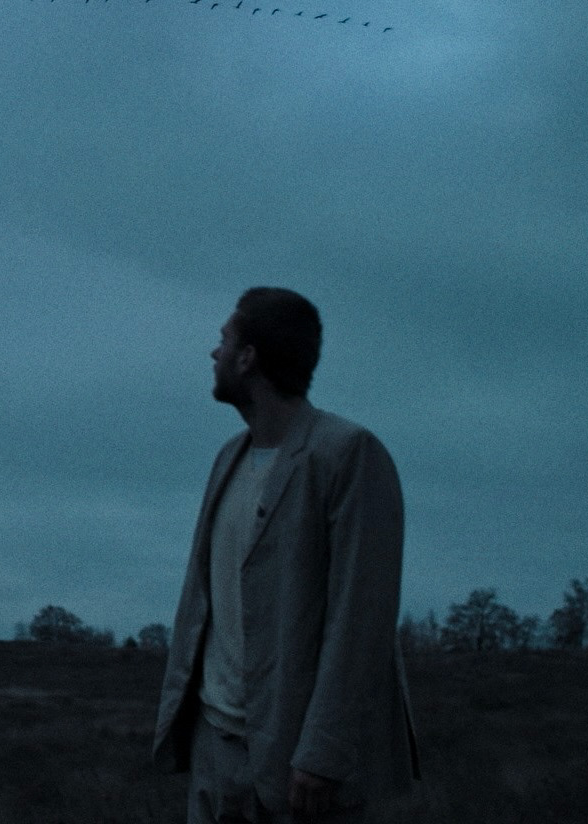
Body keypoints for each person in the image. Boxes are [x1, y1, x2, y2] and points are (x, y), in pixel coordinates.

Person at [154, 287, 420, 822]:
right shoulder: (228, 458)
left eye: (224, 340)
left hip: (296, 765)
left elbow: (361, 619)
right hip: (215, 749)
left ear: (248, 358)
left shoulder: (347, 455)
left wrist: (323, 753)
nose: (214, 352)